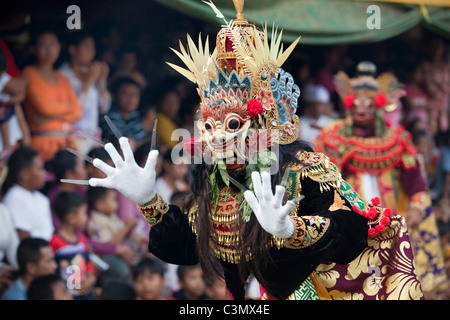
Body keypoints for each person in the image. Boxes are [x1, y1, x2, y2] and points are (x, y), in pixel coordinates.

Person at [83, 2, 423, 300]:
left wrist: (293, 230)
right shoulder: (212, 179)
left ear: (260, 125)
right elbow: (188, 246)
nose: (216, 138)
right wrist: (148, 201)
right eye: (209, 127)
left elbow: (351, 229)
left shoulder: (303, 168)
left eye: (231, 125)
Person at [314, 61, 447, 296]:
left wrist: (416, 208)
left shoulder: (398, 140)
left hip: (390, 218)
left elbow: (415, 184)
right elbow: (320, 182)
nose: (361, 108)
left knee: (390, 280)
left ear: (381, 105)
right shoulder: (331, 138)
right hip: (350, 219)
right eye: (355, 103)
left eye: (367, 104)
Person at [22, 24, 82, 162]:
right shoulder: (29, 74)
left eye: (53, 44)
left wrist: (48, 118)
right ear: (33, 49)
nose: (49, 50)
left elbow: (78, 112)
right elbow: (45, 108)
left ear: (60, 46)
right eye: (43, 45)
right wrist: (68, 107)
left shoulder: (62, 78)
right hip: (42, 144)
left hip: (67, 143)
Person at [58, 30, 111, 154]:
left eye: (93, 48)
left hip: (92, 137)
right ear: (72, 49)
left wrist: (102, 81)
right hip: (71, 137)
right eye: (87, 47)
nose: (92, 52)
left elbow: (105, 107)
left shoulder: (91, 73)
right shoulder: (63, 76)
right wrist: (88, 82)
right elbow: (74, 110)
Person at [50, 191, 96, 299]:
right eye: (84, 213)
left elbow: (87, 261)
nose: (86, 218)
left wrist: (91, 277)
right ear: (71, 218)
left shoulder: (81, 239)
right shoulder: (54, 242)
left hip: (85, 293)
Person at [86, 186, 137, 283]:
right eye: (114, 200)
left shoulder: (111, 215)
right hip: (108, 256)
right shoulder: (95, 222)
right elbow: (107, 245)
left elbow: (123, 234)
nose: (117, 204)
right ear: (100, 204)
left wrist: (131, 227)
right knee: (123, 271)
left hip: (121, 251)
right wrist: (126, 228)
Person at [2, 147, 54, 241]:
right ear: (24, 174)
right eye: (40, 169)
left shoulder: (41, 198)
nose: (44, 173)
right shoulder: (15, 197)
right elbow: (24, 240)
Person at [45, 150, 88, 229]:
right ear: (70, 175)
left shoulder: (81, 192)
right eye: (82, 168)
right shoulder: (53, 198)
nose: (85, 173)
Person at [100, 77, 146, 147]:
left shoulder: (135, 115)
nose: (131, 99)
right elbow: (118, 141)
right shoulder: (110, 117)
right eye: (125, 94)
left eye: (134, 94)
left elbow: (141, 140)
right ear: (114, 95)